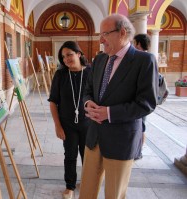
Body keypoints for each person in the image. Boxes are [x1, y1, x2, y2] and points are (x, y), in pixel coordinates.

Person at [79, 14, 159, 199]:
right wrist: (87, 102)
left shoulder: (144, 61)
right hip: (94, 137)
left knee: (114, 194)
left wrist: (109, 113)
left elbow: (147, 103)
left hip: (121, 139)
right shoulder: (99, 60)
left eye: (105, 33)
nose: (101, 39)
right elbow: (88, 90)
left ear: (122, 32)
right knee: (86, 192)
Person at [48, 41, 90, 199]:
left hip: (88, 124)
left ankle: (86, 182)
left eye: (69, 55)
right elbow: (53, 102)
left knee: (88, 156)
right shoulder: (60, 75)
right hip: (67, 124)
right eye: (63, 57)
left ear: (79, 54)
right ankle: (70, 186)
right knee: (70, 155)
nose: (66, 59)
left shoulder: (90, 73)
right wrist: (57, 126)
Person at [133, 33, 151, 160]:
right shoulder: (148, 57)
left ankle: (138, 151)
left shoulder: (145, 58)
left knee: (141, 125)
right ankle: (138, 151)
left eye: (134, 43)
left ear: (138, 43)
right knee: (142, 125)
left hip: (140, 100)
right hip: (142, 101)